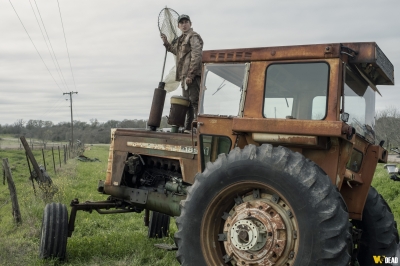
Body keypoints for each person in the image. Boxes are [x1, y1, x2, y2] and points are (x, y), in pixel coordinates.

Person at [161, 14, 203, 134]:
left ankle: (197, 128)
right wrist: (166, 43)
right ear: (178, 26)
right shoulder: (181, 39)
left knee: (195, 101)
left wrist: (191, 74)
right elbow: (176, 52)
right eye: (181, 23)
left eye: (186, 22)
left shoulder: (194, 37)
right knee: (187, 102)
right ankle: (189, 128)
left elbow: (197, 55)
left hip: (192, 76)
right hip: (184, 76)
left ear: (190, 23)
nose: (184, 24)